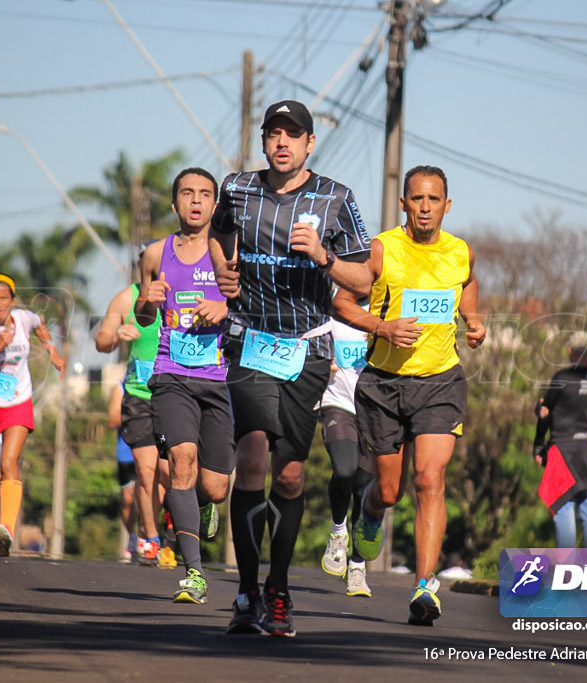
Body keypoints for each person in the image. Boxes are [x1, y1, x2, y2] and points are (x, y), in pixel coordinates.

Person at [209, 100, 372, 636]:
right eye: (273, 133)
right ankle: (245, 592)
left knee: (291, 472)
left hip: (308, 347)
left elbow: (365, 282)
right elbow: (218, 234)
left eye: (293, 134)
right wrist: (224, 273)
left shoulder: (336, 198)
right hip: (249, 339)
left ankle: (279, 591)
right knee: (252, 454)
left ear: (309, 144)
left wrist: (324, 258)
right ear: (263, 142)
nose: (282, 142)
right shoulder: (237, 188)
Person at [335, 165, 486, 627]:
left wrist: (473, 319)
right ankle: (369, 514)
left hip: (440, 381)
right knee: (388, 490)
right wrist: (382, 327)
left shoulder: (460, 252)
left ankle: (425, 586)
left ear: (447, 204)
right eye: (416, 199)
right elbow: (341, 302)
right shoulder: (382, 250)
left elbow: (467, 285)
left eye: (433, 200)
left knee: (430, 479)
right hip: (383, 383)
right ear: (403, 203)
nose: (425, 208)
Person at [136, 167, 232, 605]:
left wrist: (224, 308)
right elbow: (143, 317)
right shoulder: (155, 254)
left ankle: (205, 503)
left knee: (214, 486)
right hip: (172, 375)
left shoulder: (230, 254)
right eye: (187, 193)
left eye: (205, 194)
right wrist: (145, 302)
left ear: (215, 204)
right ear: (174, 204)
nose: (196, 201)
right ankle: (194, 572)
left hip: (221, 380)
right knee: (181, 460)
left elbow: (251, 309)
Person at [0, 273, 66, 557]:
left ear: (12, 299)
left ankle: (6, 528)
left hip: (17, 401)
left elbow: (40, 325)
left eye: (3, 299)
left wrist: (52, 350)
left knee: (10, 463)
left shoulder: (23, 318)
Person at [95, 250, 169, 566]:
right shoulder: (127, 299)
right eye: (146, 264)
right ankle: (150, 539)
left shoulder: (182, 295)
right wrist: (116, 336)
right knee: (146, 470)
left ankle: (160, 523)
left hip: (175, 394)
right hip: (138, 394)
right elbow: (101, 340)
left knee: (171, 471)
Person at [531, 331, 587, 549]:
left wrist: (538, 445)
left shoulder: (563, 378)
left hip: (563, 452)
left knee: (563, 507)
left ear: (570, 352)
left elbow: (546, 412)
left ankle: (567, 573)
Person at [317, 315, 374, 597]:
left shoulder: (385, 306)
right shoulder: (331, 309)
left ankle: (357, 567)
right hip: (337, 403)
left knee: (366, 490)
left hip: (377, 412)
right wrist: (320, 366)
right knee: (345, 469)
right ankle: (338, 531)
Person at [107, 383, 139, 563]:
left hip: (148, 447)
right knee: (127, 500)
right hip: (126, 451)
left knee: (147, 493)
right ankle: (132, 536)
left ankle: (148, 538)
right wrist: (139, 411)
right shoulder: (120, 387)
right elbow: (112, 420)